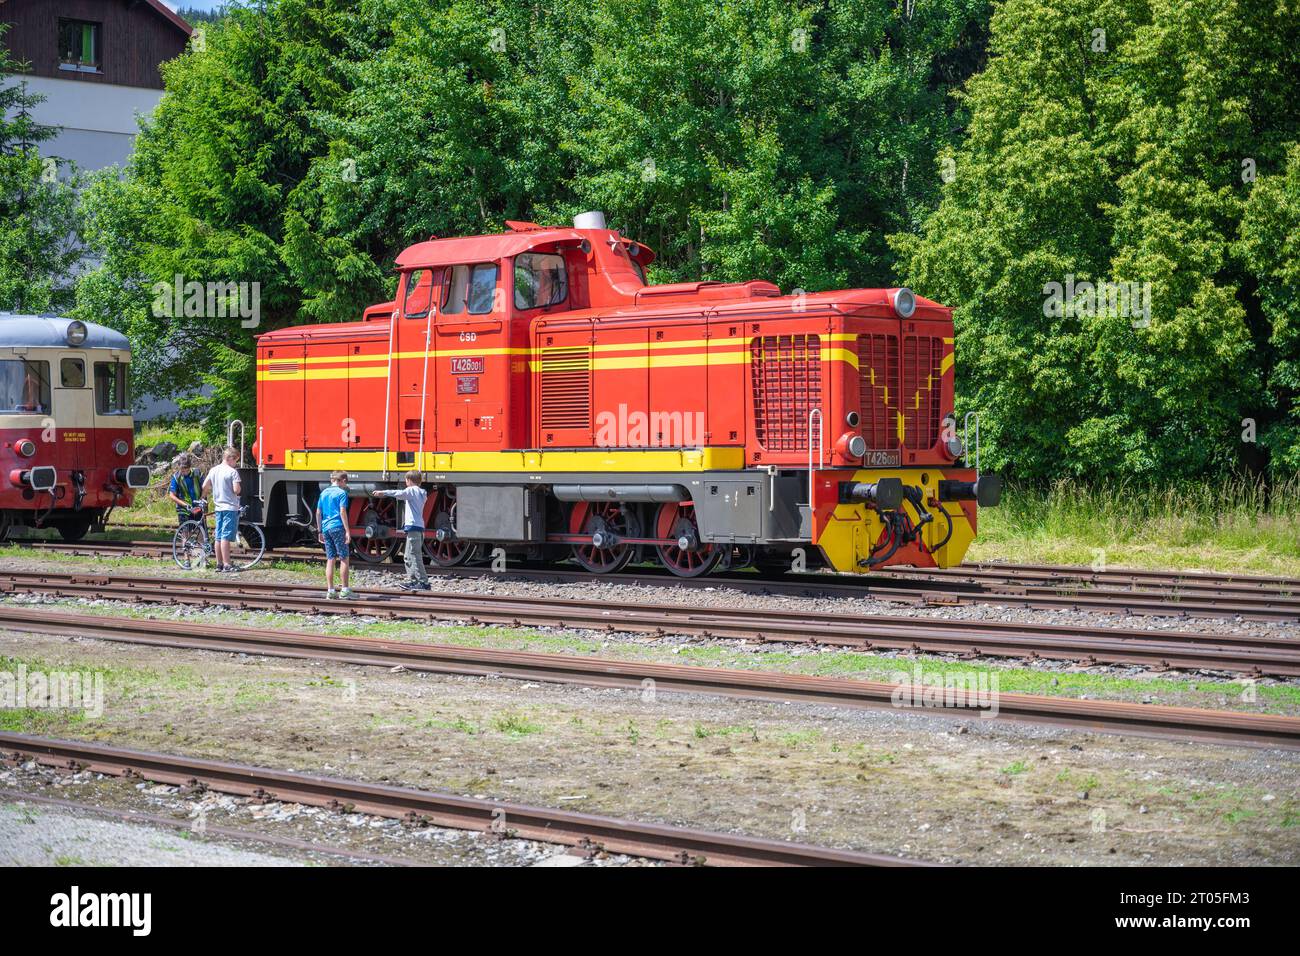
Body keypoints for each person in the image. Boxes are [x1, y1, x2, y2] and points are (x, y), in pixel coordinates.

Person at [371, 470, 429, 591]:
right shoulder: (422, 492)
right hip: (417, 527)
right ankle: (414, 581)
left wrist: (383, 492)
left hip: (414, 527)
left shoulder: (412, 490)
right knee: (408, 556)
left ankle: (423, 582)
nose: (405, 482)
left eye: (406, 480)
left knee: (415, 555)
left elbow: (399, 493)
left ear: (409, 480)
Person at [202, 446, 243, 573]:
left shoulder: (214, 470)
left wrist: (205, 496)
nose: (235, 463)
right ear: (230, 458)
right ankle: (227, 564)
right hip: (230, 507)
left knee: (218, 536)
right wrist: (239, 489)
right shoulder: (232, 472)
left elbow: (205, 486)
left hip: (218, 508)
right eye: (236, 460)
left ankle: (219, 564)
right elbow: (236, 490)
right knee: (225, 536)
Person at [317, 470, 356, 599]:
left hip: (326, 528)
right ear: (343, 481)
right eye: (346, 483)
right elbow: (342, 511)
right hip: (338, 527)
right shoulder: (341, 493)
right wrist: (348, 531)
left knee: (330, 559)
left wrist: (319, 531)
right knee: (344, 558)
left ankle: (331, 591)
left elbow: (318, 512)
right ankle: (345, 590)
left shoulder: (324, 493)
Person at [167, 454, 204, 526]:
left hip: (198, 506)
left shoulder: (197, 473)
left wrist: (202, 498)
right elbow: (172, 495)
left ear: (190, 467)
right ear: (179, 467)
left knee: (201, 530)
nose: (184, 473)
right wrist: (185, 505)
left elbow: (205, 487)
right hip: (183, 508)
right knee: (186, 532)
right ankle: (185, 537)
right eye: (182, 471)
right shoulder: (176, 477)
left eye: (186, 470)